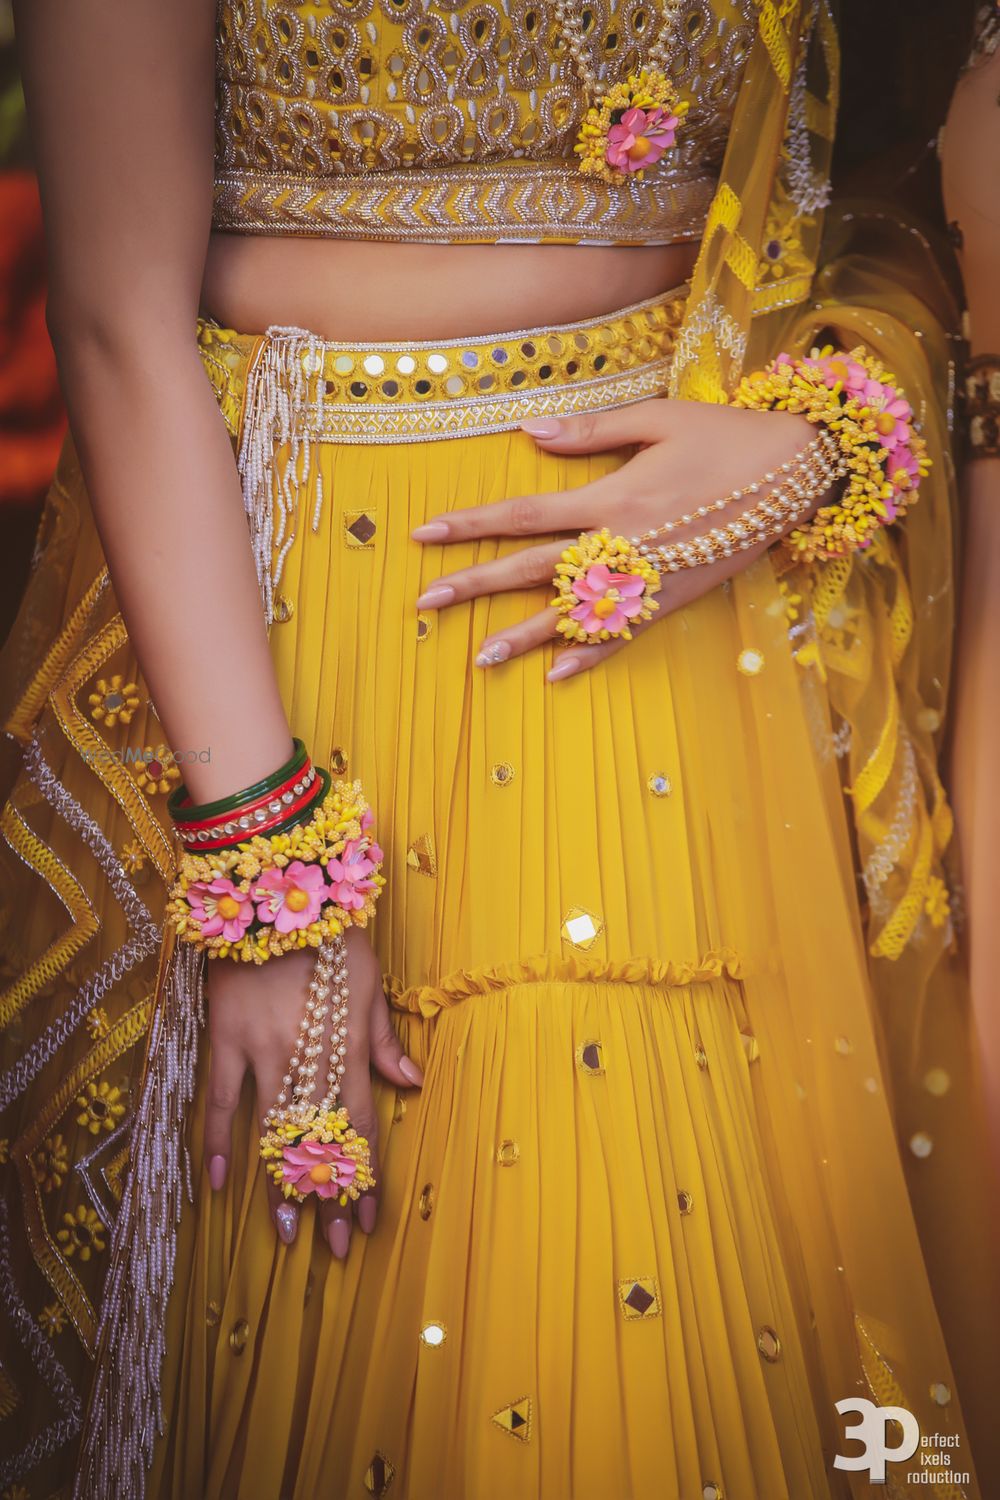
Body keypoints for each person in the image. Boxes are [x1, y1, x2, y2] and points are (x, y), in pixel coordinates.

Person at [1, 3, 997, 1497]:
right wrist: (265, 854)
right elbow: (114, 325)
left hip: (686, 598)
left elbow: (884, 190)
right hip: (307, 622)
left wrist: (818, 444)